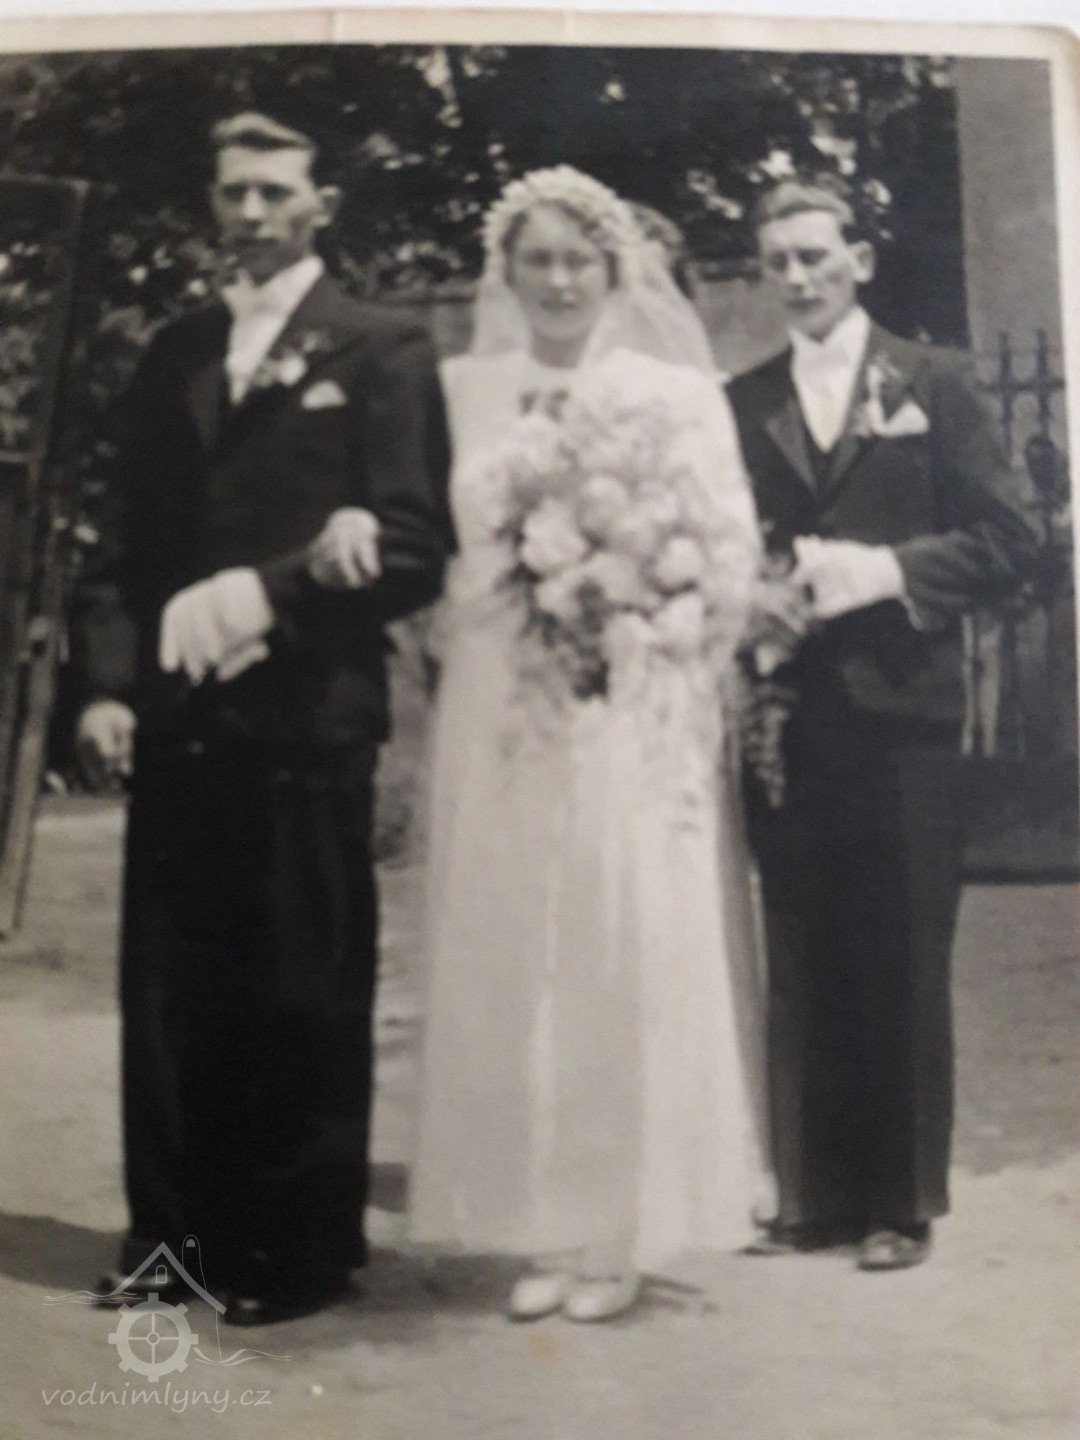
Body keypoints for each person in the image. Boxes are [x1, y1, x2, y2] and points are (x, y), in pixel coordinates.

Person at [76, 111, 453, 1324]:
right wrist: (106, 685)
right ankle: (169, 1242)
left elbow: (414, 544)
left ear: (320, 206)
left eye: (273, 192)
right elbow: (124, 545)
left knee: (301, 988)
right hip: (181, 722)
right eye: (233, 191)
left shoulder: (382, 347)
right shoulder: (177, 351)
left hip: (307, 723)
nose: (249, 213)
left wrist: (271, 594)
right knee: (169, 992)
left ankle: (296, 1249)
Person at [404, 167, 764, 1323]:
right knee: (518, 951)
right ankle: (541, 1221)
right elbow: (434, 545)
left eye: (579, 261)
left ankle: (620, 1228)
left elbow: (728, 551)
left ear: (615, 271)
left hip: (626, 709)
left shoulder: (675, 394)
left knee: (618, 942)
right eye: (538, 261)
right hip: (500, 707)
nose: (559, 282)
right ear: (505, 273)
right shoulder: (463, 390)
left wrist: (646, 612)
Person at [726, 178, 1038, 1270]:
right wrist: (752, 605)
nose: (798, 277)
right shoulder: (743, 398)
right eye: (779, 261)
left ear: (858, 259)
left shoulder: (933, 381)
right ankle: (812, 1192)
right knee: (803, 939)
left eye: (816, 255)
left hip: (906, 707)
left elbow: (1013, 541)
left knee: (901, 943)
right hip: (788, 709)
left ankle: (901, 1202)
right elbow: (726, 543)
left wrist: (888, 571)